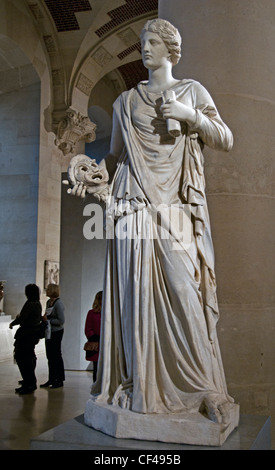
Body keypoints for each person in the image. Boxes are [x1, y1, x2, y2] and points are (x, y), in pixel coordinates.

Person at [65, 19, 235, 423]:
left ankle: (204, 387)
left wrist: (189, 115)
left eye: (153, 42)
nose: (146, 49)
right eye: (143, 43)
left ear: (171, 49)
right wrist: (89, 172)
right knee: (135, 295)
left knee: (183, 289)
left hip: (174, 206)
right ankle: (141, 385)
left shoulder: (191, 91)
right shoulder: (125, 102)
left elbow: (225, 137)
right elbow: (114, 157)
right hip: (133, 204)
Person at [9, 284, 42, 395]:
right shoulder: (36, 303)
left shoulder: (31, 304)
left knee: (23, 358)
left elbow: (23, 317)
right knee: (28, 357)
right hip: (31, 334)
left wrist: (14, 322)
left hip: (27, 334)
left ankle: (30, 382)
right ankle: (28, 381)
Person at [40, 284, 65, 388]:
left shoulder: (58, 303)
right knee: (49, 356)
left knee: (56, 355)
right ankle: (51, 378)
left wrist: (49, 321)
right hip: (49, 331)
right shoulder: (48, 302)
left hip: (56, 331)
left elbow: (61, 320)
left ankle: (59, 379)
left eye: (49, 289)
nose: (47, 291)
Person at [84, 291, 102, 382]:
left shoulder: (111, 313)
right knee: (97, 367)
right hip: (96, 343)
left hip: (107, 343)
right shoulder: (92, 313)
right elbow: (88, 329)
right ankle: (96, 386)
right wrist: (96, 337)